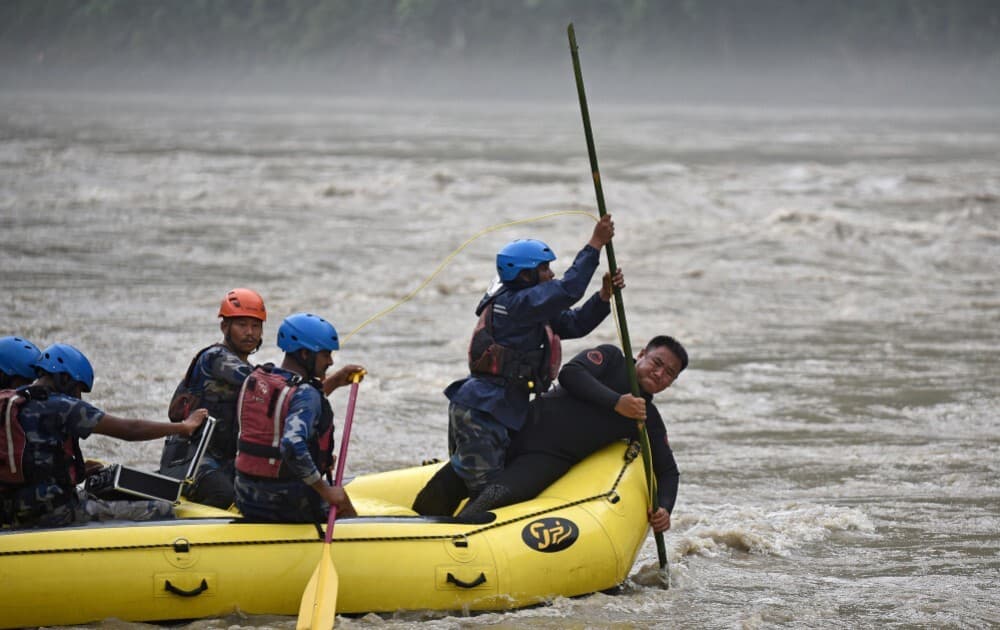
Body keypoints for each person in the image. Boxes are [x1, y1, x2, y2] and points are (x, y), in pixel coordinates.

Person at [412, 216, 622, 515]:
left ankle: (427, 513)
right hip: (482, 410)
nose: (551, 274)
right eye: (544, 268)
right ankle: (446, 529)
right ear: (524, 275)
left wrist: (602, 297)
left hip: (499, 409)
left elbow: (574, 324)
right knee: (487, 490)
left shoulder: (531, 308)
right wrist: (595, 244)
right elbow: (568, 290)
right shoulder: (515, 305)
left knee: (471, 474)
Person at [456, 336, 688, 534]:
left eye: (669, 373)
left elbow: (668, 471)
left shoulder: (646, 418)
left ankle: (452, 535)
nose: (659, 373)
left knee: (494, 496)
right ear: (642, 354)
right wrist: (616, 402)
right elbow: (571, 373)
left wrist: (664, 508)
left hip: (546, 459)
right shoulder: (612, 358)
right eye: (656, 363)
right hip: (519, 429)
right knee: (448, 482)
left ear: (671, 383)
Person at [1, 343, 207, 529]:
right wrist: (184, 427)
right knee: (162, 509)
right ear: (64, 379)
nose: (78, 397)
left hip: (14, 511)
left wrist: (77, 471)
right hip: (56, 514)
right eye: (78, 389)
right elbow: (130, 429)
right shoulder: (62, 406)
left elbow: (30, 458)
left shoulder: (13, 401)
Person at [234, 313, 364, 523]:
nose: (330, 361)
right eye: (325, 354)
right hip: (286, 503)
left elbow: (288, 410)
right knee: (342, 501)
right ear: (305, 353)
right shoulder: (306, 393)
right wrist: (325, 491)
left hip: (245, 496)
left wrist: (336, 380)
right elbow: (292, 444)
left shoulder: (259, 379)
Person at [158, 287, 266, 508]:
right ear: (225, 327)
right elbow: (260, 383)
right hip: (192, 461)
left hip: (225, 462)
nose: (250, 332)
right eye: (242, 325)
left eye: (256, 326)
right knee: (223, 495)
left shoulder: (251, 371)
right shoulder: (215, 358)